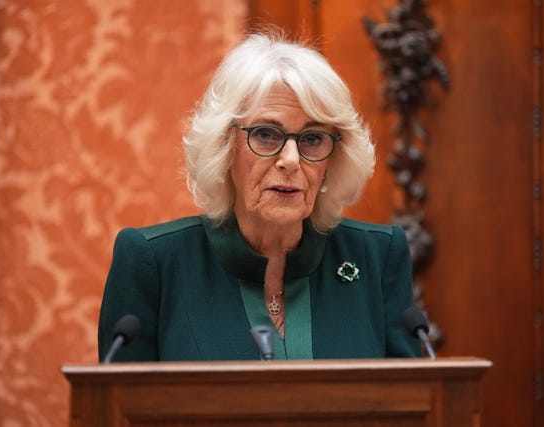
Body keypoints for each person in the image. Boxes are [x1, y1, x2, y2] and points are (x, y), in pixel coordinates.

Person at [98, 32, 421, 361]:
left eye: (312, 138)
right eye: (266, 135)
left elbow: (411, 404)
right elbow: (119, 409)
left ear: (333, 158)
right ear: (224, 147)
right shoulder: (153, 263)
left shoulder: (377, 258)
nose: (291, 160)